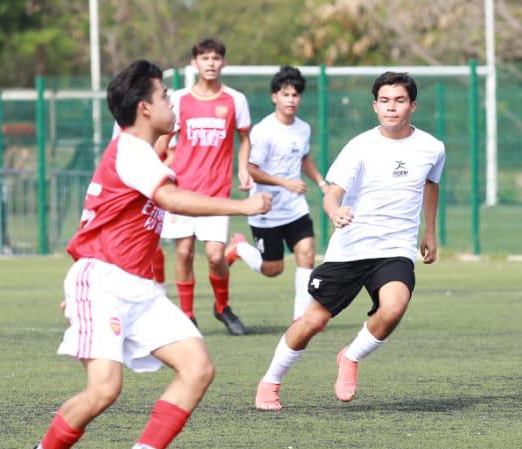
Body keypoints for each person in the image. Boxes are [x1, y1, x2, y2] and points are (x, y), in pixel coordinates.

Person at [23, 59, 271, 449]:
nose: (172, 104)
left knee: (198, 367)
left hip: (138, 287)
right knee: (104, 390)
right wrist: (242, 208)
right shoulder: (131, 151)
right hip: (102, 281)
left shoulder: (143, 151)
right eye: (164, 98)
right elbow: (171, 199)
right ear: (143, 108)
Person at [253, 71, 443, 411]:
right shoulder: (360, 146)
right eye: (384, 101)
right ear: (375, 106)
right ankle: (270, 381)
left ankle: (350, 357)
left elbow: (431, 184)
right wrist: (334, 212)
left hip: (395, 249)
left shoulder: (432, 147)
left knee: (394, 306)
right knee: (313, 322)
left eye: (399, 100)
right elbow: (332, 192)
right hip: (352, 248)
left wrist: (430, 230)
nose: (391, 107)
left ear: (412, 105)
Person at [156, 37, 255, 336]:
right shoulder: (180, 99)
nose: (210, 63)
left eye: (216, 58)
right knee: (184, 253)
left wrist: (242, 170)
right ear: (194, 63)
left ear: (223, 62)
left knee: (214, 255)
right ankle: (187, 315)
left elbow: (245, 138)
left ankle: (222, 307)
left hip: (215, 193)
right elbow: (163, 137)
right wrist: (153, 164)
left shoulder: (235, 100)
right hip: (181, 189)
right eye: (205, 58)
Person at [227, 65, 326, 326]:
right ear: (274, 97)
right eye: (285, 94)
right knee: (273, 269)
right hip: (266, 211)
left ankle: (300, 318)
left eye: (295, 95)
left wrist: (321, 182)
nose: (291, 100)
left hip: (295, 208)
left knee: (306, 253)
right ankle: (238, 248)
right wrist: (285, 183)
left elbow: (303, 158)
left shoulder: (303, 128)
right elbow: (251, 169)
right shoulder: (263, 131)